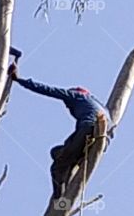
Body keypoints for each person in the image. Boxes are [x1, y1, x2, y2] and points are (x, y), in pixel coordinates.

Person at [8, 60, 110, 198]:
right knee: (57, 152)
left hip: (87, 130)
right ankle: (74, 162)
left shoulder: (77, 96)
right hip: (100, 140)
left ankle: (60, 202)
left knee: (57, 168)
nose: (68, 107)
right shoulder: (103, 108)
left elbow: (48, 90)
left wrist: (19, 79)